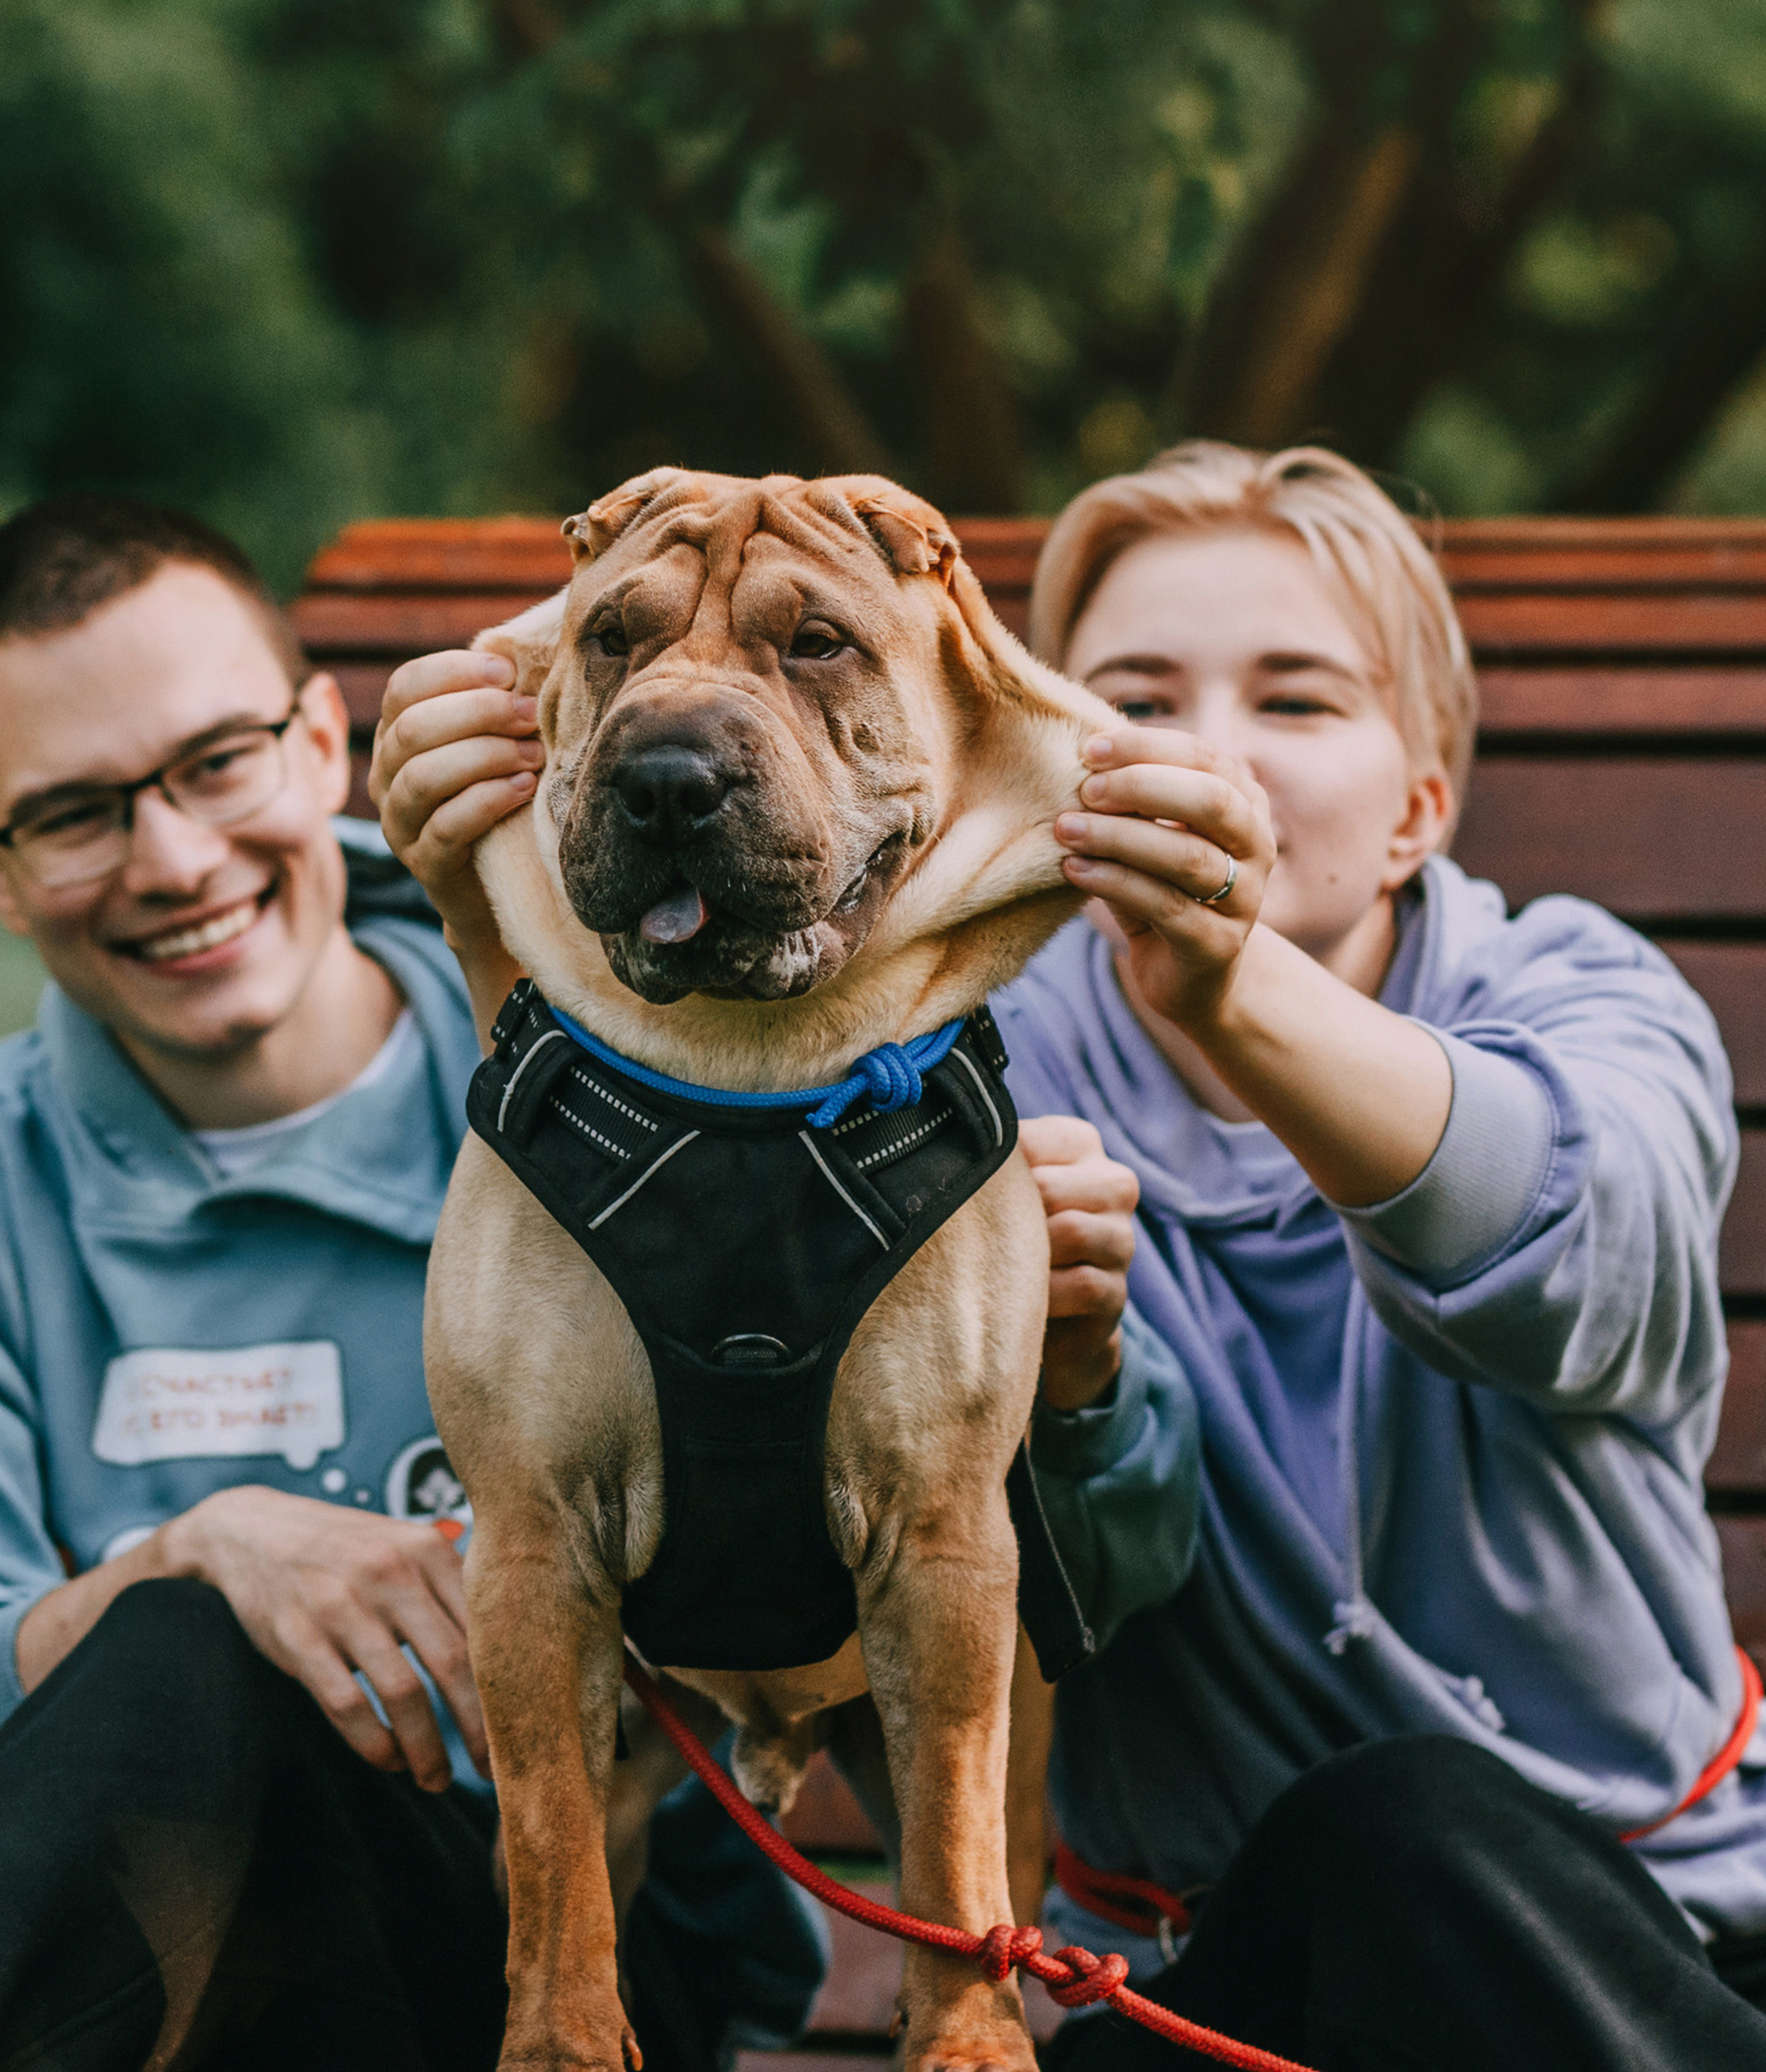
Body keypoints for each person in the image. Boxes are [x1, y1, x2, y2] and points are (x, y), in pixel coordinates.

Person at [376, 444, 1766, 2070]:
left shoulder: (1579, 994)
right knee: (1339, 1863)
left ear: (1417, 804)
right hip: (1202, 1978)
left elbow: (1566, 1255)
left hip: (1629, 1949)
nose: (1198, 747)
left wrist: (1223, 982)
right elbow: (1071, 1571)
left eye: (1295, 700)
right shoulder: (933, 1062)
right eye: (1136, 694)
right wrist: (495, 916)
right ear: (1026, 740)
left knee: (1402, 1823)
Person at [0, 494, 826, 2072]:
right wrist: (190, 1549)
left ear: (315, 741)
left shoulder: (621, 1070)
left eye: (212, 762)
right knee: (177, 1614)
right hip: (13, 1984)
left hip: (530, 1960)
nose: (171, 858)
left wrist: (205, 1617)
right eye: (75, 813)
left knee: (201, 1649)